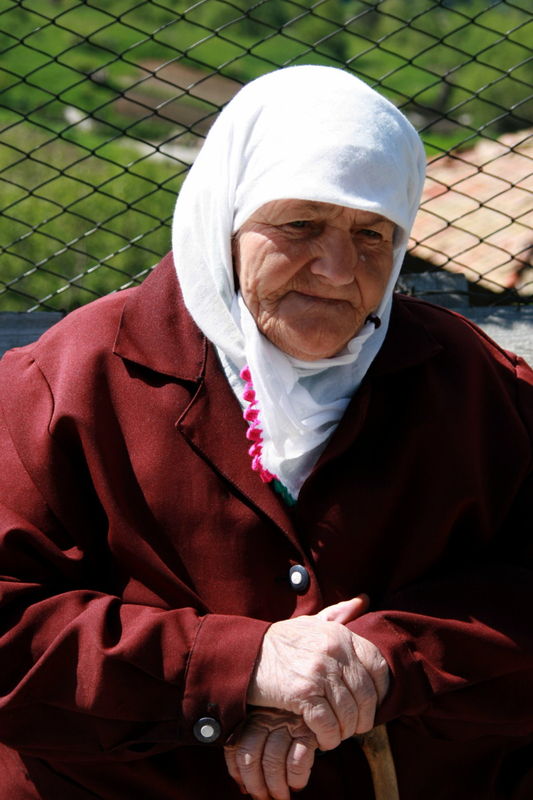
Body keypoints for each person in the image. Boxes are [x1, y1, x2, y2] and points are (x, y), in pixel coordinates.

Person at [0, 65, 532, 800]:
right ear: (225, 215)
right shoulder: (64, 382)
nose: (337, 269)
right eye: (299, 225)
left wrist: (386, 663)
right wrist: (240, 667)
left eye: (371, 233)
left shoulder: (479, 385)